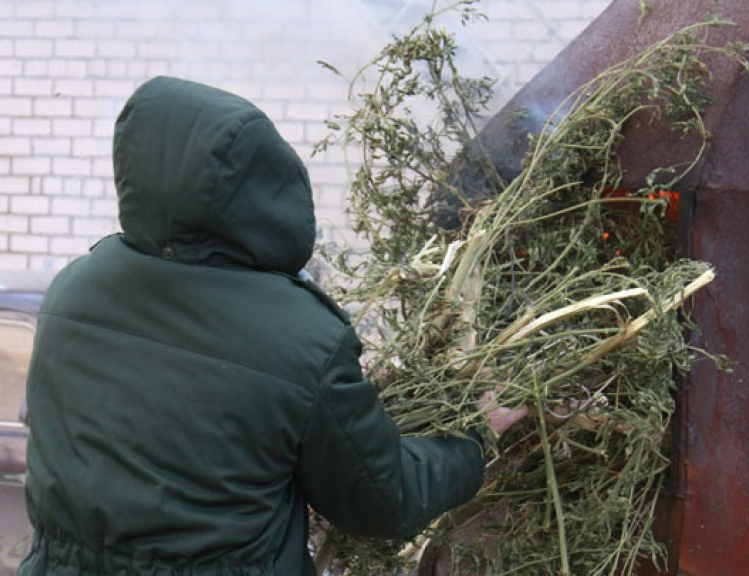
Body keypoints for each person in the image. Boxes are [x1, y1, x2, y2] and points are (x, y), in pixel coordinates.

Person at [18, 77, 525, 575]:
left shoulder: (73, 291)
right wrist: (475, 436)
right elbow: (383, 500)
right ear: (268, 187)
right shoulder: (302, 337)